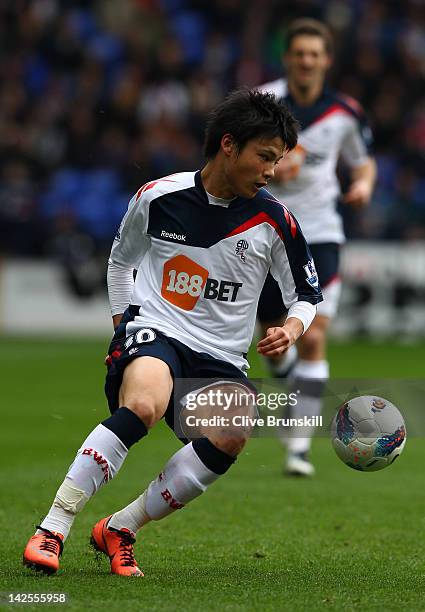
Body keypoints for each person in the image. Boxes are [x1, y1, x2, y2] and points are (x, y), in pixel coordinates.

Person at [23, 89, 322, 577]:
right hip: (158, 329)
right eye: (264, 157)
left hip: (222, 358)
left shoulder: (276, 221)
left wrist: (290, 328)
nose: (272, 171)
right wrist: (122, 327)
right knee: (144, 404)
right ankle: (52, 528)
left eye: (278, 160)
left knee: (233, 432)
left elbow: (307, 296)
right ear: (229, 145)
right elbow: (122, 262)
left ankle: (120, 527)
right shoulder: (158, 197)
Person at [257, 19, 377, 476]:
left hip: (320, 232)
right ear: (287, 57)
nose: (306, 61)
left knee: (314, 334)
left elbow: (363, 164)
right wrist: (275, 164)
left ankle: (298, 449)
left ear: (326, 60)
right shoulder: (262, 103)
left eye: (315, 54)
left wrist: (362, 187)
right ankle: (289, 381)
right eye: (299, 53)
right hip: (264, 233)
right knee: (271, 338)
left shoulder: (345, 113)